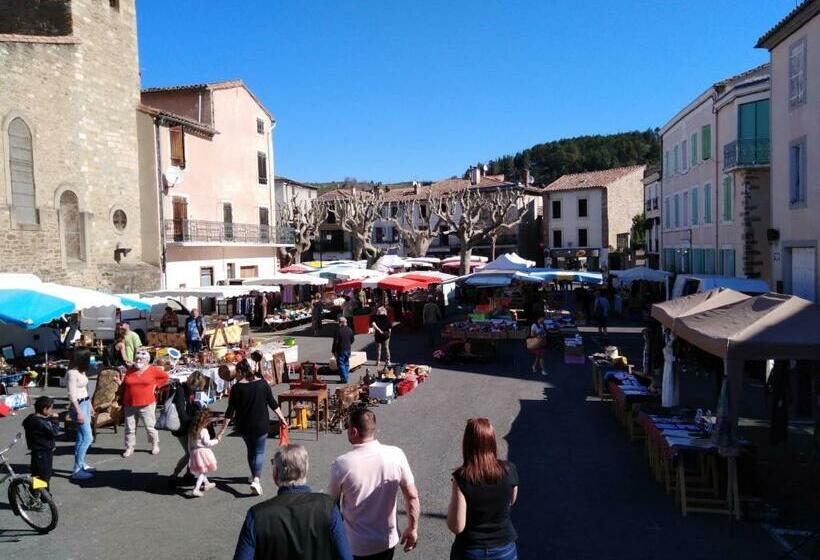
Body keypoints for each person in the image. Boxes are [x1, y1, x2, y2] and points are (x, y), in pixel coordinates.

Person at [233, 444, 353, 560]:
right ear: (305, 471)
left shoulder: (256, 515)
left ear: (275, 475)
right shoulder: (328, 507)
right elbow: (344, 555)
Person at [329, 408, 420, 560]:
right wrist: (413, 528)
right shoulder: (396, 454)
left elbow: (331, 505)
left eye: (348, 427)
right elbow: (412, 496)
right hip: (386, 541)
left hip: (356, 545)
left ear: (354, 431)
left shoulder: (342, 464)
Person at [447, 418, 519, 560]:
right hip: (504, 548)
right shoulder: (510, 469)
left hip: (470, 549)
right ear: (492, 441)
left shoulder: (461, 478)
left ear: (467, 444)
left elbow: (456, 526)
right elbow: (511, 500)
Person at [219, 359, 288, 496]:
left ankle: (253, 475)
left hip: (243, 425)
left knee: (251, 450)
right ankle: (256, 479)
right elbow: (273, 403)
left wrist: (222, 430)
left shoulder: (237, 388)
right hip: (261, 424)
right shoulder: (262, 383)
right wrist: (282, 418)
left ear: (239, 372)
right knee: (259, 452)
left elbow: (230, 411)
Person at [119, 349, 170, 458]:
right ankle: (129, 447)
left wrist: (157, 385)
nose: (139, 360)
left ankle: (155, 444)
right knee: (129, 428)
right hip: (129, 403)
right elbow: (125, 383)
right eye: (137, 358)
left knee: (150, 427)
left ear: (147, 360)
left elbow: (165, 377)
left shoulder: (152, 369)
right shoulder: (130, 370)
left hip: (147, 404)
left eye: (141, 358)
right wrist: (120, 383)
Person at [169, 371, 210, 486]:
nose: (195, 388)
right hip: (182, 427)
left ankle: (189, 473)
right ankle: (174, 475)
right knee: (189, 453)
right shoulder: (181, 390)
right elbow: (181, 411)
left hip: (189, 425)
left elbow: (192, 406)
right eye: (194, 385)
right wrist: (194, 424)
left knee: (192, 451)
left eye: (198, 386)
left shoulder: (191, 390)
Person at [66, 348, 95, 480]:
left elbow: (84, 390)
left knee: (81, 437)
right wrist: (79, 412)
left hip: (84, 404)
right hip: (77, 406)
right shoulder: (72, 373)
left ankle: (81, 463)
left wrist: (90, 406)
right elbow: (72, 395)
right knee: (88, 438)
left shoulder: (80, 371)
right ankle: (77, 469)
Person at [22, 396, 60, 485]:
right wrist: (55, 420)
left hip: (37, 452)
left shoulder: (32, 418)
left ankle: (36, 495)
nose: (52, 410)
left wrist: (49, 418)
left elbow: (43, 425)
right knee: (44, 477)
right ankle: (44, 497)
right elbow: (54, 432)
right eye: (51, 408)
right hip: (43, 452)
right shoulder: (39, 422)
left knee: (37, 476)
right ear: (44, 409)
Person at [188, 407, 220, 497]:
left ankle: (206, 483)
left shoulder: (191, 431)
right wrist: (217, 440)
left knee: (202, 470)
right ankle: (196, 489)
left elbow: (189, 444)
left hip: (194, 452)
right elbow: (207, 443)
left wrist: (190, 453)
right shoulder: (204, 431)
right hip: (203, 453)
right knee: (203, 472)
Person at [332, 317, 355, 384]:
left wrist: (333, 351)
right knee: (346, 363)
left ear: (340, 323)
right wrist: (348, 344)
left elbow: (335, 342)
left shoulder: (338, 331)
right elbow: (352, 340)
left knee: (341, 364)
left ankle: (344, 379)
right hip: (348, 349)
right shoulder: (350, 329)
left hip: (340, 349)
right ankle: (345, 377)